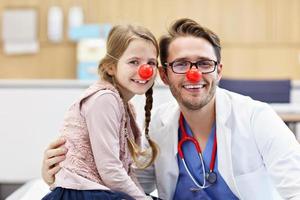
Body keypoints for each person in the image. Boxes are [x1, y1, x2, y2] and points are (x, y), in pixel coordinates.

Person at [42, 18, 300, 200]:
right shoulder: (156, 125)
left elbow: (296, 188)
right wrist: (60, 177)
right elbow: (131, 185)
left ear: (219, 71)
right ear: (163, 75)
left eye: (204, 63)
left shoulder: (257, 118)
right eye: (181, 64)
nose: (194, 74)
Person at [42, 24, 160, 200]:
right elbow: (111, 171)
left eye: (151, 62)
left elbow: (124, 171)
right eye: (134, 62)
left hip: (97, 191)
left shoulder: (125, 107)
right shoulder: (104, 99)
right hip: (80, 194)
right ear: (110, 67)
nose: (145, 70)